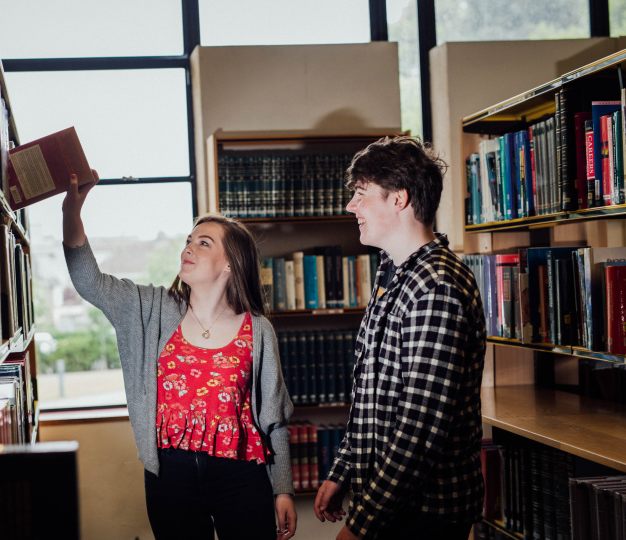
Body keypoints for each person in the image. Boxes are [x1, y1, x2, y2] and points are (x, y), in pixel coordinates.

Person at [62, 171, 297, 540]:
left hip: (242, 475)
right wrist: (71, 212)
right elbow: (89, 282)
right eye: (188, 240)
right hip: (170, 476)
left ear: (230, 264)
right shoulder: (150, 307)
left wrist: (283, 488)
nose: (188, 248)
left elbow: (275, 420)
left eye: (203, 243)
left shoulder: (258, 330)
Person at [314, 136, 487, 540]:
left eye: (360, 194)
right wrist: (343, 470)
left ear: (399, 200)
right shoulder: (391, 272)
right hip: (391, 501)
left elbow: (419, 429)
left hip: (426, 512)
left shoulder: (435, 287)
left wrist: (361, 524)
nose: (350, 206)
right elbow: (373, 397)